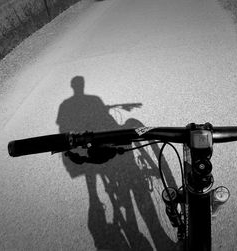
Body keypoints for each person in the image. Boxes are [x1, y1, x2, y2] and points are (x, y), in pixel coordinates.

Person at [56, 76, 176, 250]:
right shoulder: (93, 99)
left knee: (96, 161)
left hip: (87, 141)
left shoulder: (67, 104)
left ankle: (94, 197)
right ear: (80, 86)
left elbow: (62, 124)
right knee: (117, 141)